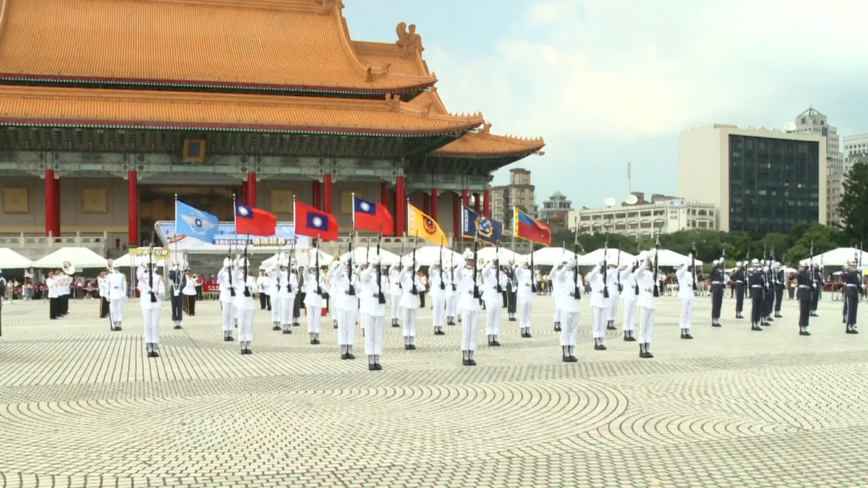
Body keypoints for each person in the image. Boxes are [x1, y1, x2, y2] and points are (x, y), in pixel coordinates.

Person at [360, 256, 389, 370]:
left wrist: (383, 293)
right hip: (368, 308)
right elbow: (364, 277)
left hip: (380, 308)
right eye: (374, 264)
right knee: (369, 335)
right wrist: (371, 266)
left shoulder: (384, 277)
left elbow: (387, 289)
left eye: (377, 265)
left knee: (378, 335)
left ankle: (377, 358)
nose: (376, 267)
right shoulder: (367, 274)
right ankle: (370, 359)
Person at [328, 257, 359, 360]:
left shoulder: (355, 277)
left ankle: (350, 350)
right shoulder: (339, 275)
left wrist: (354, 289)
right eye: (347, 265)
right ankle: (343, 350)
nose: (348, 267)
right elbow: (335, 275)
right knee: (342, 327)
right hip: (341, 303)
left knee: (351, 327)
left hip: (352, 304)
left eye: (349, 265)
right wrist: (342, 263)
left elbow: (359, 290)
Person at [552, 257, 580, 361]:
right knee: (565, 330)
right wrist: (566, 266)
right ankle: (565, 353)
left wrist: (578, 290)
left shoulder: (576, 276)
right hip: (565, 305)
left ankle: (572, 352)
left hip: (575, 305)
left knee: (573, 330)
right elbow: (558, 275)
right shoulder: (562, 275)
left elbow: (581, 288)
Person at [458, 249, 482, 366]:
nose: (471, 262)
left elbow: (482, 286)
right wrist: (462, 261)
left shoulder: (477, 273)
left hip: (475, 304)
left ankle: (471, 355)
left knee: (473, 331)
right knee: (466, 331)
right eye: (469, 260)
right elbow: (456, 273)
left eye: (472, 260)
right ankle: (465, 355)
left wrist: (479, 290)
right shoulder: (462, 272)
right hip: (465, 304)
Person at [137, 260, 165, 358]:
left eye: (152, 265)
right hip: (145, 302)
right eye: (149, 265)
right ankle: (149, 345)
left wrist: (157, 292)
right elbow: (139, 276)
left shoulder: (158, 278)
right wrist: (142, 266)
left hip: (155, 302)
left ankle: (155, 345)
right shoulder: (143, 277)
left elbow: (162, 291)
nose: (150, 267)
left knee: (155, 325)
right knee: (147, 324)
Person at [233, 257, 257, 354]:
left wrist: (250, 288)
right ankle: (242, 344)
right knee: (241, 324)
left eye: (246, 268)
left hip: (249, 303)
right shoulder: (238, 279)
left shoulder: (251, 279)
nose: (244, 269)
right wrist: (237, 266)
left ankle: (249, 344)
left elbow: (255, 289)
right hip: (240, 302)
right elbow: (234, 278)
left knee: (249, 325)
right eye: (243, 268)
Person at [635, 251, 657, 358]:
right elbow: (638, 272)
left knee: (649, 327)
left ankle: (648, 347)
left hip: (652, 302)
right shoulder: (639, 273)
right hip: (643, 302)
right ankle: (642, 348)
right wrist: (645, 262)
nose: (648, 263)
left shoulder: (652, 274)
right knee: (643, 326)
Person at [399, 261, 423, 350]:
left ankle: (412, 341)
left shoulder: (416, 276)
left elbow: (422, 286)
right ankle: (406, 341)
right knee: (406, 322)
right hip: (405, 301)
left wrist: (416, 288)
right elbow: (400, 277)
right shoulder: (404, 275)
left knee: (413, 322)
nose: (411, 267)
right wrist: (406, 267)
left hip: (413, 300)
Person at [482, 258, 506, 347]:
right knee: (490, 318)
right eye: (495, 261)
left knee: (497, 319)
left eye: (497, 261)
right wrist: (490, 263)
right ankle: (490, 337)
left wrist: (501, 284)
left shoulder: (500, 272)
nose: (496, 263)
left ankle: (495, 337)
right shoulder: (488, 270)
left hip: (498, 297)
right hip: (490, 297)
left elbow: (504, 283)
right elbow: (484, 273)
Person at [587, 260, 608, 350]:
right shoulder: (593, 276)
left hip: (604, 302)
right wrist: (598, 266)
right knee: (597, 323)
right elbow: (591, 276)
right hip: (596, 302)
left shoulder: (605, 277)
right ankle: (597, 342)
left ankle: (601, 341)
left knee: (603, 323)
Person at [304, 263, 325, 344]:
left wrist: (321, 290)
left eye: (315, 268)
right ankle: (311, 336)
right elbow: (305, 274)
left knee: (317, 318)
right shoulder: (309, 277)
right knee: (310, 318)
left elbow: (325, 289)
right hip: (309, 299)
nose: (314, 270)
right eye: (312, 268)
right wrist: (307, 265)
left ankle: (317, 336)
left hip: (318, 299)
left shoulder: (321, 277)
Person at [676, 257, 696, 339]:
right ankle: (682, 330)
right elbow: (682, 271)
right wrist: (686, 264)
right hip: (683, 295)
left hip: (690, 296)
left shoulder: (690, 274)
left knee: (689, 314)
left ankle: (687, 329)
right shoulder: (679, 273)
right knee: (684, 314)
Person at [217, 257, 237, 341]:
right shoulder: (223, 273)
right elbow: (219, 276)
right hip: (225, 296)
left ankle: (230, 333)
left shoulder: (234, 273)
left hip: (233, 297)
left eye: (230, 266)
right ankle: (225, 333)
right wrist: (224, 267)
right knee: (225, 316)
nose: (229, 268)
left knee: (231, 316)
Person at [515, 258, 535, 338]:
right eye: (525, 262)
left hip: (529, 293)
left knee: (529, 312)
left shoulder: (530, 272)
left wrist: (532, 283)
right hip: (522, 293)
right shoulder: (520, 271)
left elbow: (534, 281)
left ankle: (528, 328)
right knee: (523, 312)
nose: (526, 263)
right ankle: (523, 329)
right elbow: (517, 270)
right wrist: (522, 263)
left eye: (527, 262)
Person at [428, 259, 448, 335]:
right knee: (436, 311)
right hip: (436, 294)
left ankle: (440, 327)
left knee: (441, 311)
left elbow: (447, 281)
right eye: (437, 265)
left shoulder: (443, 273)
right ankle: (435, 327)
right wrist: (433, 265)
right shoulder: (433, 273)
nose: (438, 266)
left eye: (439, 265)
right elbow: (429, 270)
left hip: (442, 294)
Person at [620, 259, 638, 341]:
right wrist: (630, 266)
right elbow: (624, 274)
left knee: (632, 316)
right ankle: (626, 332)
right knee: (627, 315)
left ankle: (631, 331)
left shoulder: (635, 275)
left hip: (634, 297)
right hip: (627, 296)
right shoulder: (624, 274)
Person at [842, 258, 861, 334]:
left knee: (854, 309)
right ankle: (848, 326)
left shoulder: (856, 272)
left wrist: (861, 289)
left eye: (855, 262)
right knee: (850, 309)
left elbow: (857, 283)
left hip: (855, 291)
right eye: (852, 262)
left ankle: (853, 324)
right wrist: (854, 272)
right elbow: (846, 277)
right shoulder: (846, 270)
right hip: (849, 290)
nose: (854, 264)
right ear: (848, 263)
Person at [107, 264, 126, 330]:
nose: (116, 268)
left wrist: (124, 294)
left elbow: (124, 285)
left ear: (119, 268)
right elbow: (107, 285)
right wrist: (107, 295)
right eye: (115, 267)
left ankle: (119, 324)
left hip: (120, 293)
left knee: (120, 310)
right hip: (112, 293)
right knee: (113, 310)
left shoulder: (122, 275)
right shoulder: (109, 276)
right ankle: (114, 324)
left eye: (117, 267)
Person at [748, 259, 764, 332]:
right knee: (754, 308)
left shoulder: (761, 272)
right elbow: (751, 281)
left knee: (759, 307)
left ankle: (757, 322)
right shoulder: (751, 272)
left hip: (760, 290)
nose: (757, 266)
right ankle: (753, 323)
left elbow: (763, 281)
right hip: (754, 290)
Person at [796, 263, 812, 336]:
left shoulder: (808, 274)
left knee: (807, 312)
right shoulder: (800, 273)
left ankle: (805, 327)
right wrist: (804, 269)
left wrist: (813, 286)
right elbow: (799, 275)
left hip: (807, 293)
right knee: (802, 311)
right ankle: (801, 328)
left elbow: (810, 283)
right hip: (802, 293)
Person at [168, 261, 184, 330]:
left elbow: (184, 282)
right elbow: (171, 277)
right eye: (175, 264)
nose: (176, 265)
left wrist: (180, 289)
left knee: (179, 306)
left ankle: (179, 322)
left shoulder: (181, 272)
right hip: (173, 289)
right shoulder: (171, 272)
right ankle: (175, 322)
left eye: (177, 264)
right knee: (174, 305)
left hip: (179, 289)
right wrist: (174, 271)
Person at [606, 262, 620, 330]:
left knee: (615, 308)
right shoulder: (609, 271)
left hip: (616, 292)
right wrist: (613, 270)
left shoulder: (616, 272)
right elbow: (608, 275)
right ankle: (609, 323)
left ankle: (612, 322)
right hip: (611, 292)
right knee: (610, 308)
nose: (614, 266)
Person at [709, 259, 724, 327]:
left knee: (719, 304)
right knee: (715, 304)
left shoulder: (719, 271)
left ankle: (717, 319)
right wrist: (719, 263)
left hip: (719, 288)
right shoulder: (713, 271)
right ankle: (714, 320)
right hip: (715, 288)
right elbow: (713, 270)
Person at [389, 263, 402, 328]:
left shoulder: (401, 272)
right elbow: (390, 271)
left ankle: (396, 320)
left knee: (398, 306)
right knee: (394, 306)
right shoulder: (393, 272)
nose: (397, 267)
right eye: (396, 266)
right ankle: (393, 319)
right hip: (394, 290)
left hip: (399, 290)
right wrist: (393, 265)